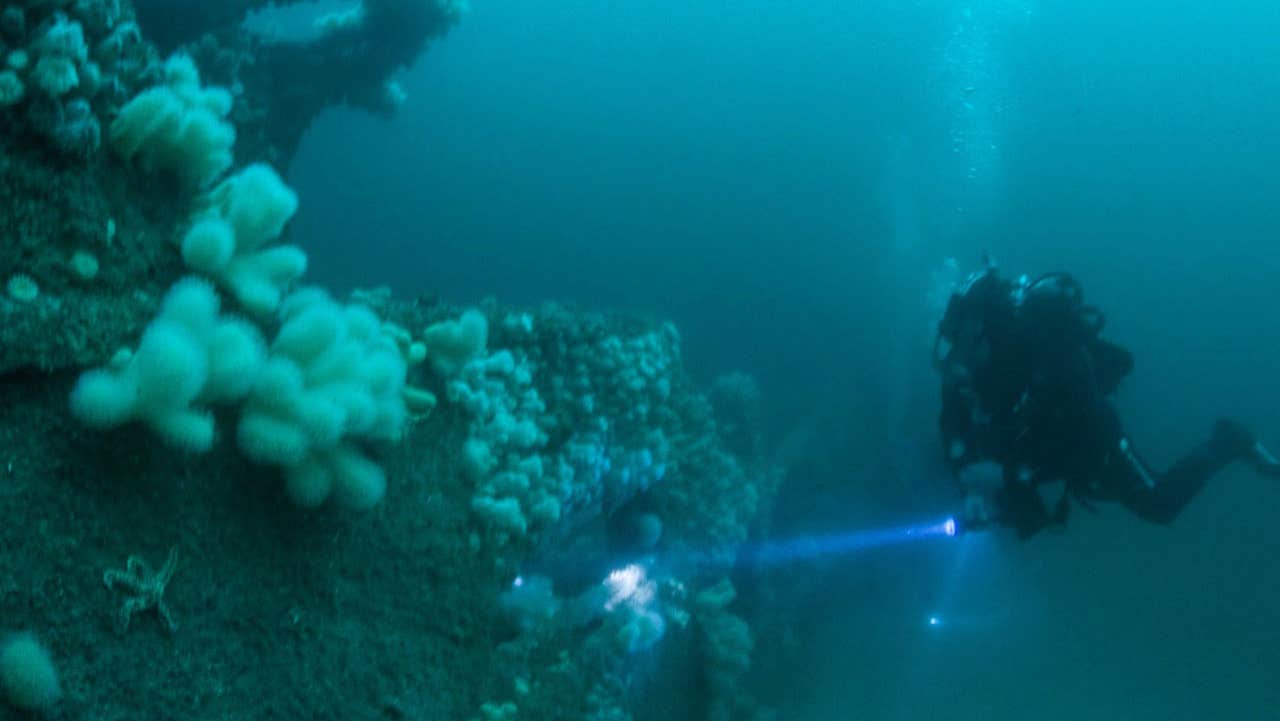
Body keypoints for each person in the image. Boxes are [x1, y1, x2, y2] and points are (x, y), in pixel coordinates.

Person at [934, 260, 1280, 537]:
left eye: (965, 342)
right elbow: (953, 422)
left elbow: (1076, 420)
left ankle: (1229, 441)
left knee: (1158, 504)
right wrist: (971, 487)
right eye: (955, 344)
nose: (960, 361)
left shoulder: (1046, 353)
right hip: (1034, 446)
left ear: (980, 327)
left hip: (1091, 433)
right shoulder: (968, 365)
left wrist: (1007, 476)